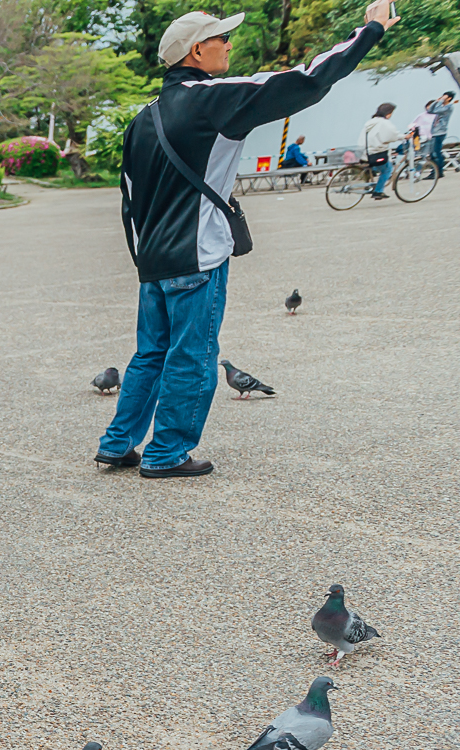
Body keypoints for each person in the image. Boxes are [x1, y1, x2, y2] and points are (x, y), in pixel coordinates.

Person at [103, 5, 391, 479]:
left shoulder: (142, 119)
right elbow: (306, 81)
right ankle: (167, 453)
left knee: (150, 353)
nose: (229, 46)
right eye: (222, 39)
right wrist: (372, 30)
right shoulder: (212, 98)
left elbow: (129, 200)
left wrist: (143, 260)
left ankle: (117, 444)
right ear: (197, 51)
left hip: (153, 261)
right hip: (196, 256)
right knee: (192, 356)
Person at [361, 102, 401, 199]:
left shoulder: (371, 122)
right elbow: (392, 136)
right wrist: (405, 136)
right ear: (388, 113)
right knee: (388, 169)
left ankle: (369, 174)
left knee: (378, 167)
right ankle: (378, 191)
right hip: (376, 153)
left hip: (364, 152)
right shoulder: (384, 123)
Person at [430, 91, 453, 175]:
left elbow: (437, 110)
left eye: (445, 96)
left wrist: (440, 102)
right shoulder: (441, 106)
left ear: (449, 98)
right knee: (432, 153)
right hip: (434, 132)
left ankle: (439, 171)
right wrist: (436, 101)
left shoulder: (449, 107)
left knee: (436, 152)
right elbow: (430, 110)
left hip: (440, 132)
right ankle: (435, 171)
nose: (442, 97)